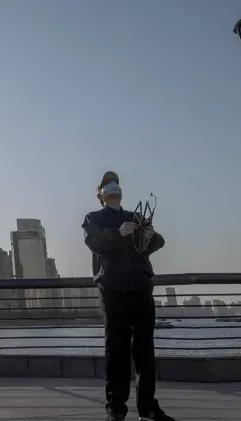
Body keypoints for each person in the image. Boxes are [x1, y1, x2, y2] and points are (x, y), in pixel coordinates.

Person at [82, 171, 173, 421]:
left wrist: (147, 235)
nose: (114, 188)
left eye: (117, 185)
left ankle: (148, 407)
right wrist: (118, 233)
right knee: (117, 349)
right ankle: (116, 407)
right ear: (100, 194)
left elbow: (158, 242)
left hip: (141, 288)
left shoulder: (135, 216)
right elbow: (95, 243)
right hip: (113, 289)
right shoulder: (94, 218)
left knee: (145, 350)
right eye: (108, 186)